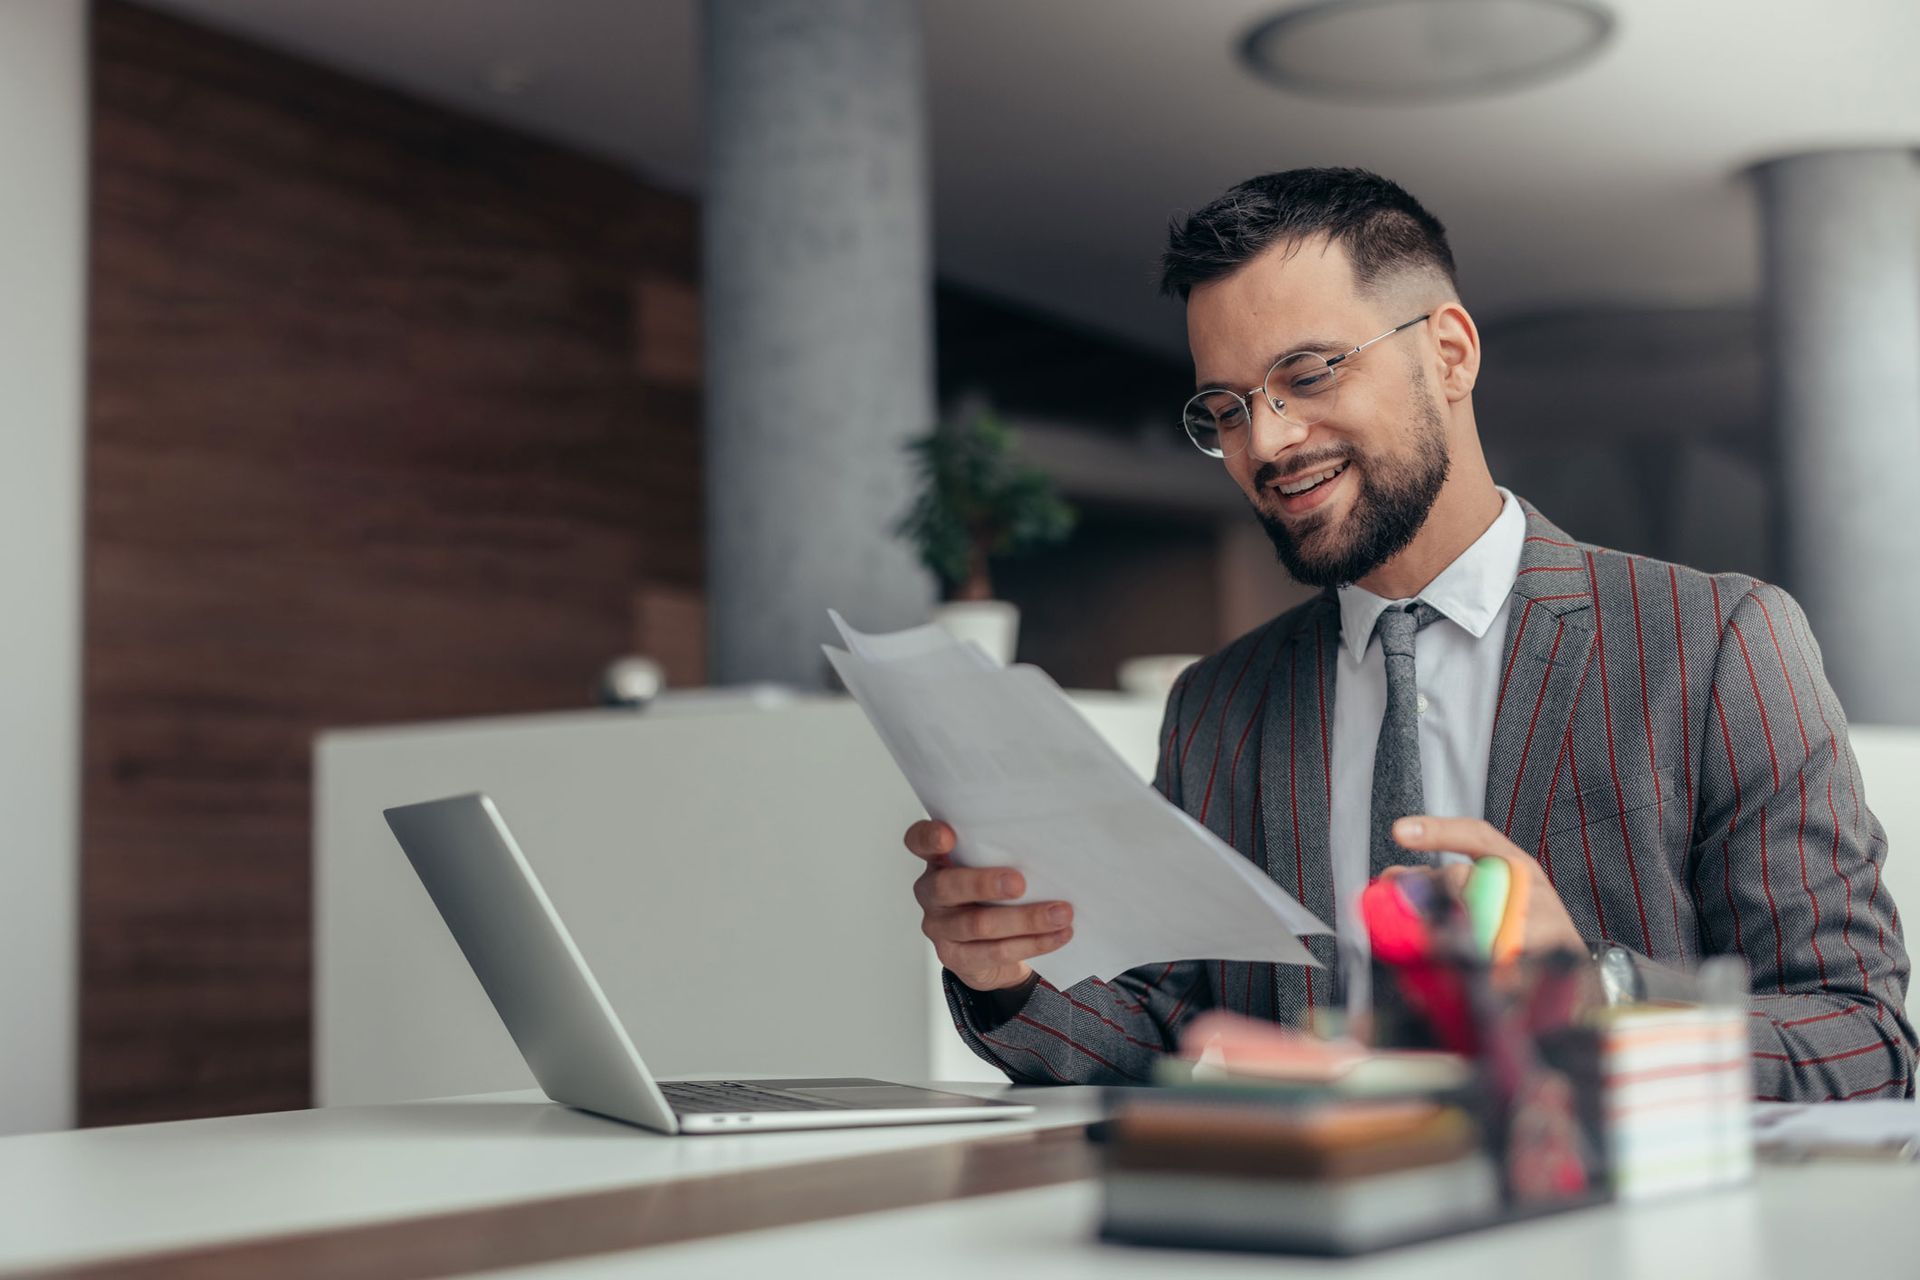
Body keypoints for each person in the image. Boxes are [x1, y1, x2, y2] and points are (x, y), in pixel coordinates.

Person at [904, 167, 1914, 1102]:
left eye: (1306, 374)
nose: (1269, 439)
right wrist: (1010, 980)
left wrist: (1601, 993)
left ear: (1449, 352)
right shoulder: (1218, 704)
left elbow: (1865, 1039)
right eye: (1227, 407)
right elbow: (1177, 1034)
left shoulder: (1717, 641)